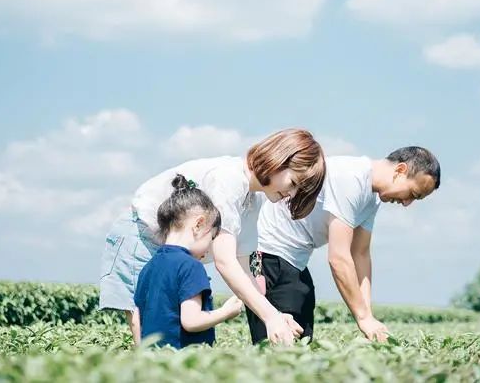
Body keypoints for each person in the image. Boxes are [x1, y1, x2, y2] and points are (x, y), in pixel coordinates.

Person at [100, 128, 325, 344]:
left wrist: (274, 313)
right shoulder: (229, 179)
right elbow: (225, 261)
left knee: (172, 335)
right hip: (142, 236)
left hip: (174, 256)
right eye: (294, 184)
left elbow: (245, 268)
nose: (292, 194)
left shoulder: (254, 200)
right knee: (148, 329)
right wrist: (270, 317)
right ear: (278, 160)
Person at [247, 146, 441, 343]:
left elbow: (360, 254)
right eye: (414, 194)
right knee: (279, 348)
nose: (408, 203)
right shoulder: (351, 179)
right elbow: (339, 258)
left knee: (301, 344)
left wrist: (367, 314)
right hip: (267, 256)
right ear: (400, 171)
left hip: (295, 263)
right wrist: (363, 318)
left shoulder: (372, 197)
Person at [132, 174, 243, 348]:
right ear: (198, 224)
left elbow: (137, 320)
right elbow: (191, 321)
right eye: (211, 238)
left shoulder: (149, 266)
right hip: (182, 363)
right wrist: (226, 312)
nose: (210, 248)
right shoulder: (191, 266)